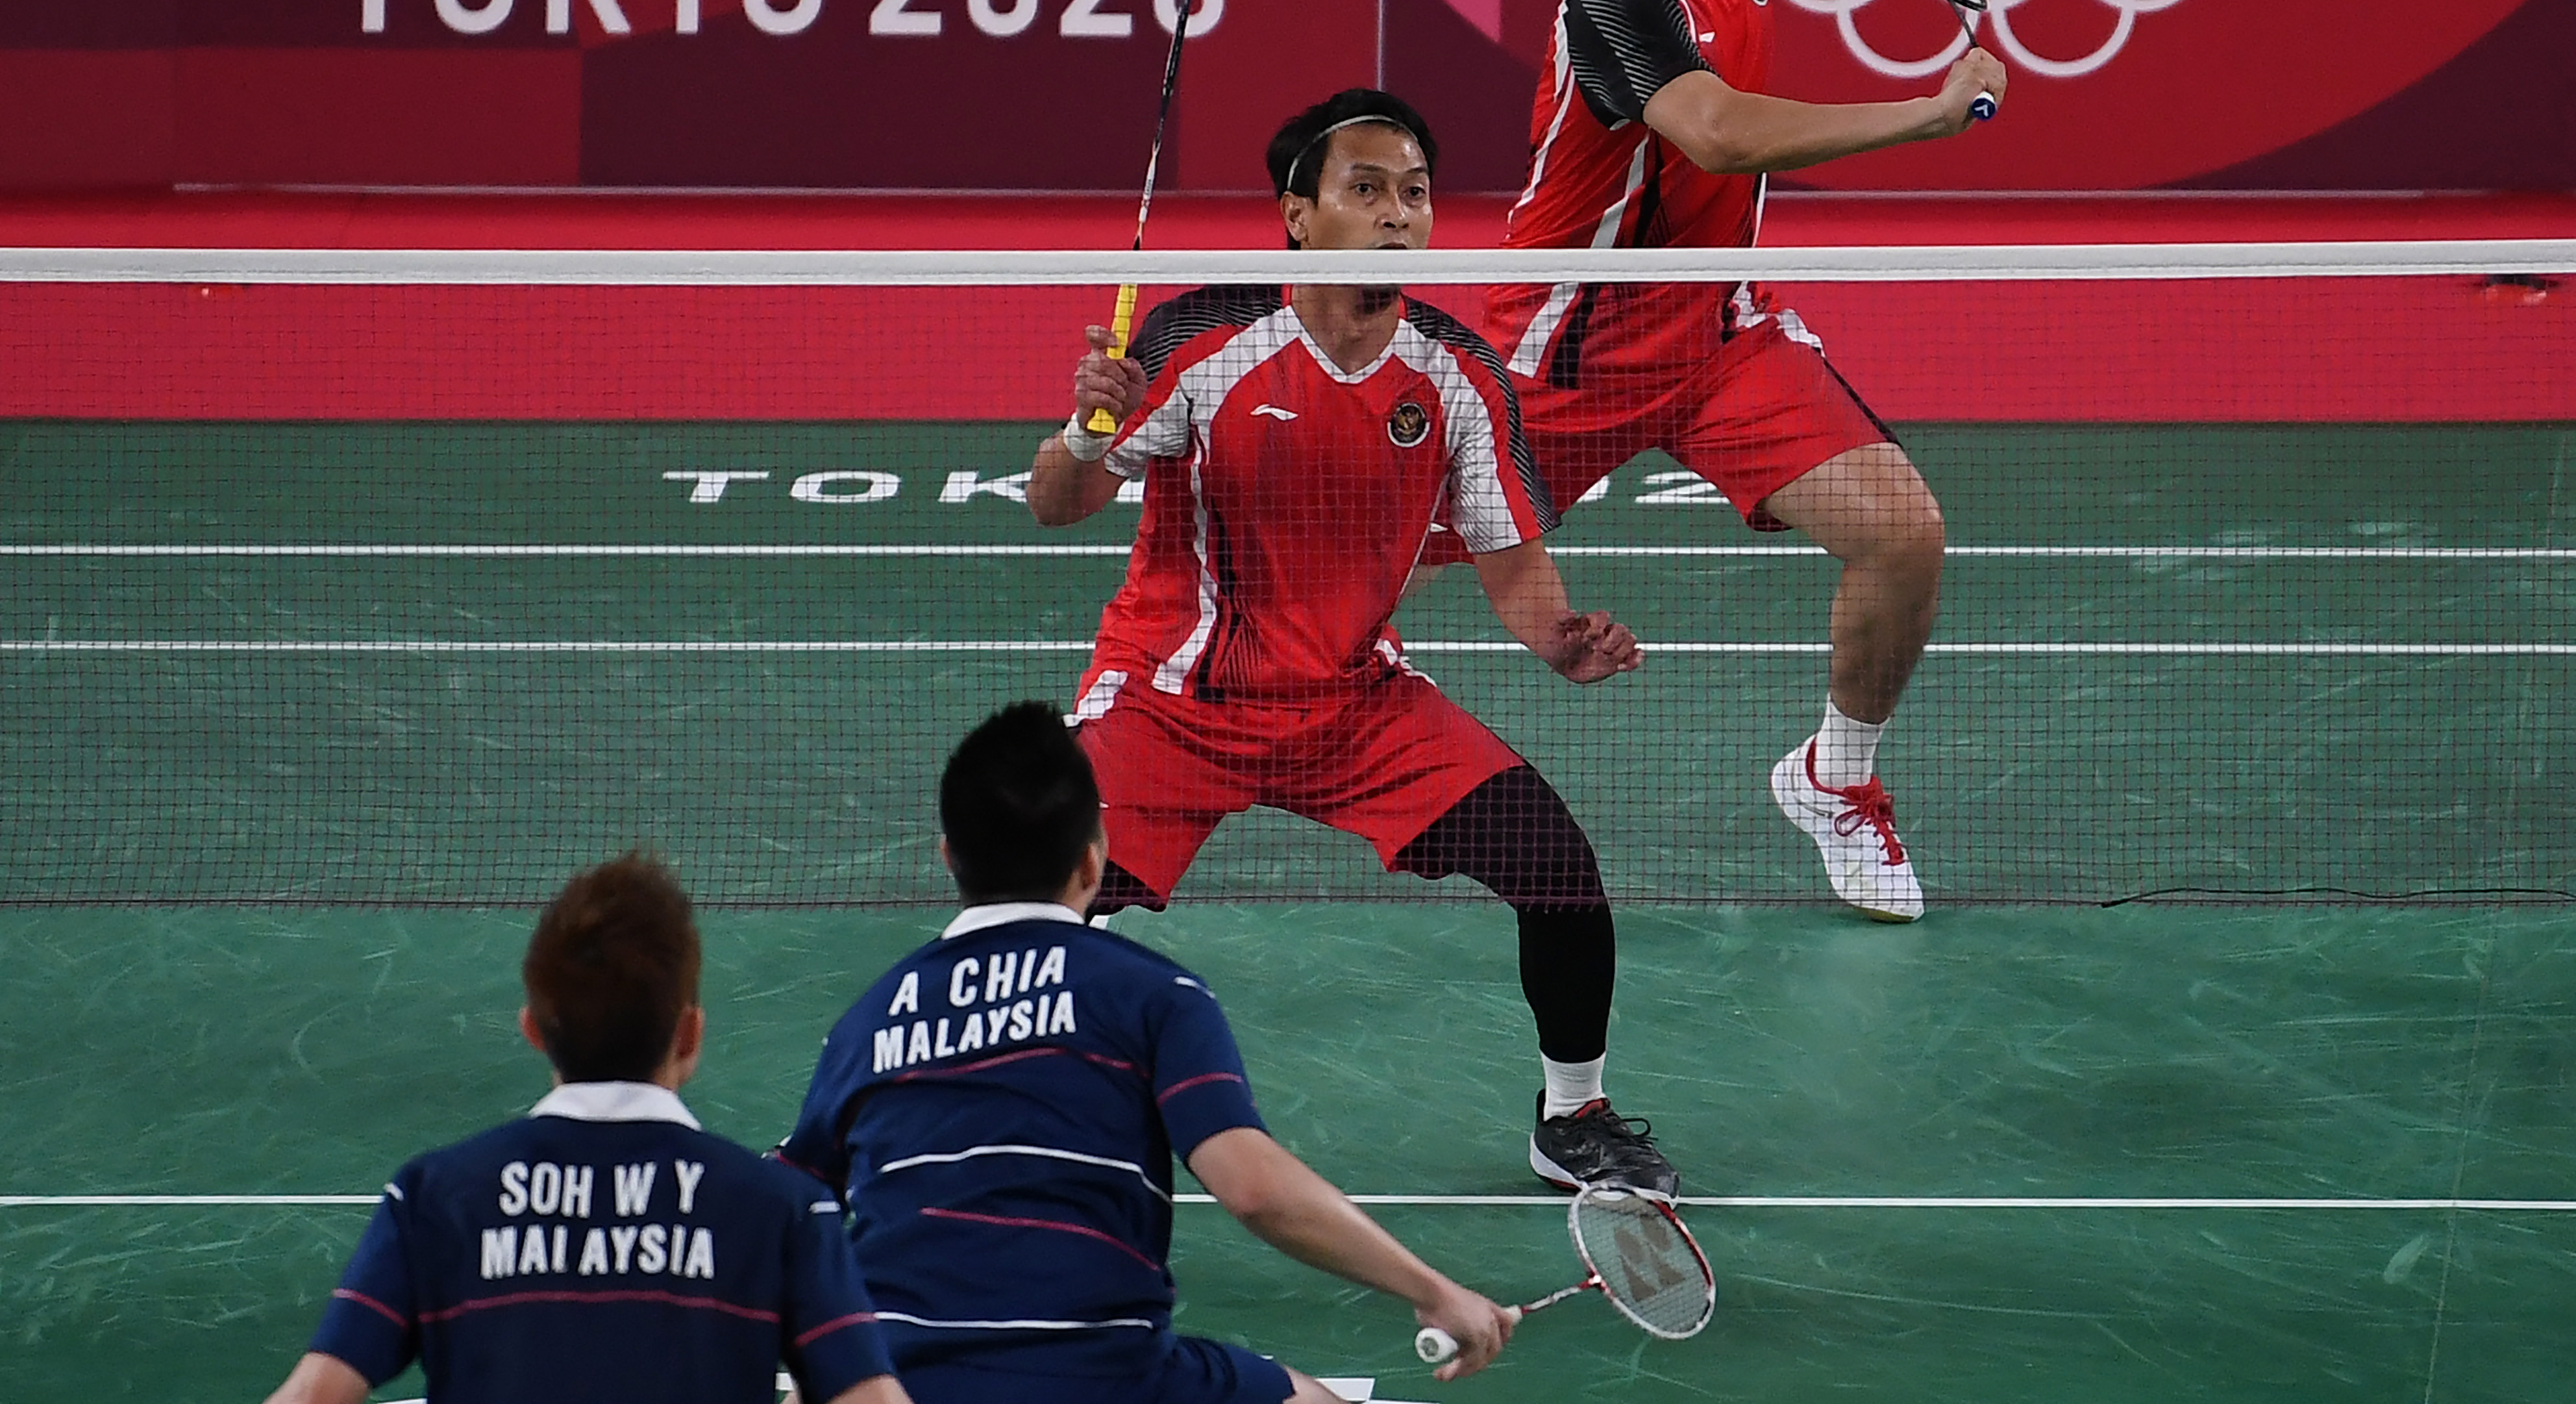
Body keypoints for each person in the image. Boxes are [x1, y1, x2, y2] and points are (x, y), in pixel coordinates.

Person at [1024, 86, 1679, 1202]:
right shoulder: (1200, 337)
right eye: (1364, 189)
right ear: (1299, 213)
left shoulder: (1459, 374)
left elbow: (1510, 559)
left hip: (1352, 703)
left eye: (1413, 193)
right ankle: (1013, 1121)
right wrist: (1086, 426)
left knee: (1557, 868)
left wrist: (1562, 645)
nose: (1395, 213)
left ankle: (1574, 1116)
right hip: (1176, 700)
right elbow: (1056, 503)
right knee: (1040, 910)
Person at [1470, 0, 2012, 923]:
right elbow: (1711, 125)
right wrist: (1922, 115)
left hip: (1721, 338)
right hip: (1571, 345)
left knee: (1903, 532)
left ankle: (1837, 780)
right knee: (1364, 550)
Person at [776, 703, 1514, 1403]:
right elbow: (1254, 1190)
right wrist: (1436, 1292)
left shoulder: (870, 1020)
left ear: (948, 857)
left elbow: (783, 1207)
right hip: (1103, 1375)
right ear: (1094, 863)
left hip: (894, 1382)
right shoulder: (1151, 993)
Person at [258, 853, 908, 1404]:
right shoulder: (782, 1215)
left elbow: (314, 1393)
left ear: (534, 1030)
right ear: (690, 1036)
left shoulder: (435, 1200)